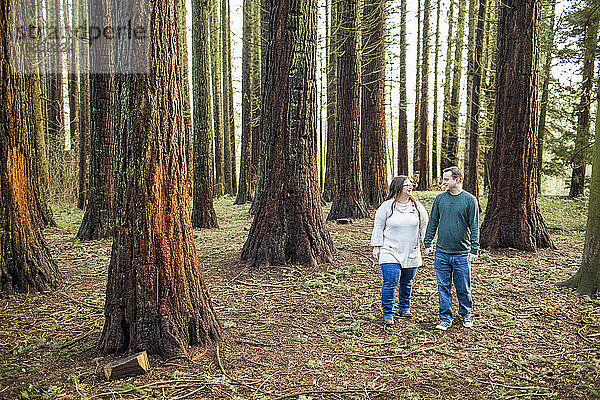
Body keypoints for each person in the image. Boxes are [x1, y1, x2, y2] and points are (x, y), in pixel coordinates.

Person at [424, 166, 479, 331]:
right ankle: (445, 318)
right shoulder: (440, 199)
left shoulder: (470, 200)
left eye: (446, 179)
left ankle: (466, 314)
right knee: (443, 287)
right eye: (443, 179)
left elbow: (474, 226)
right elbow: (432, 222)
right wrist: (428, 243)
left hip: (462, 254)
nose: (443, 182)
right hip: (441, 253)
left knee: (463, 287)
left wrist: (474, 249)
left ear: (457, 180)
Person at [371, 176, 429, 326]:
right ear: (397, 188)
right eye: (406, 185)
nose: (409, 188)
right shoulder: (387, 206)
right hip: (390, 249)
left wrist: (427, 243)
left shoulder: (416, 206)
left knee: (407, 281)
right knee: (390, 281)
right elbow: (378, 226)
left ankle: (404, 308)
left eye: (411, 185)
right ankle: (388, 312)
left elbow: (424, 226)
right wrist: (376, 246)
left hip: (411, 250)